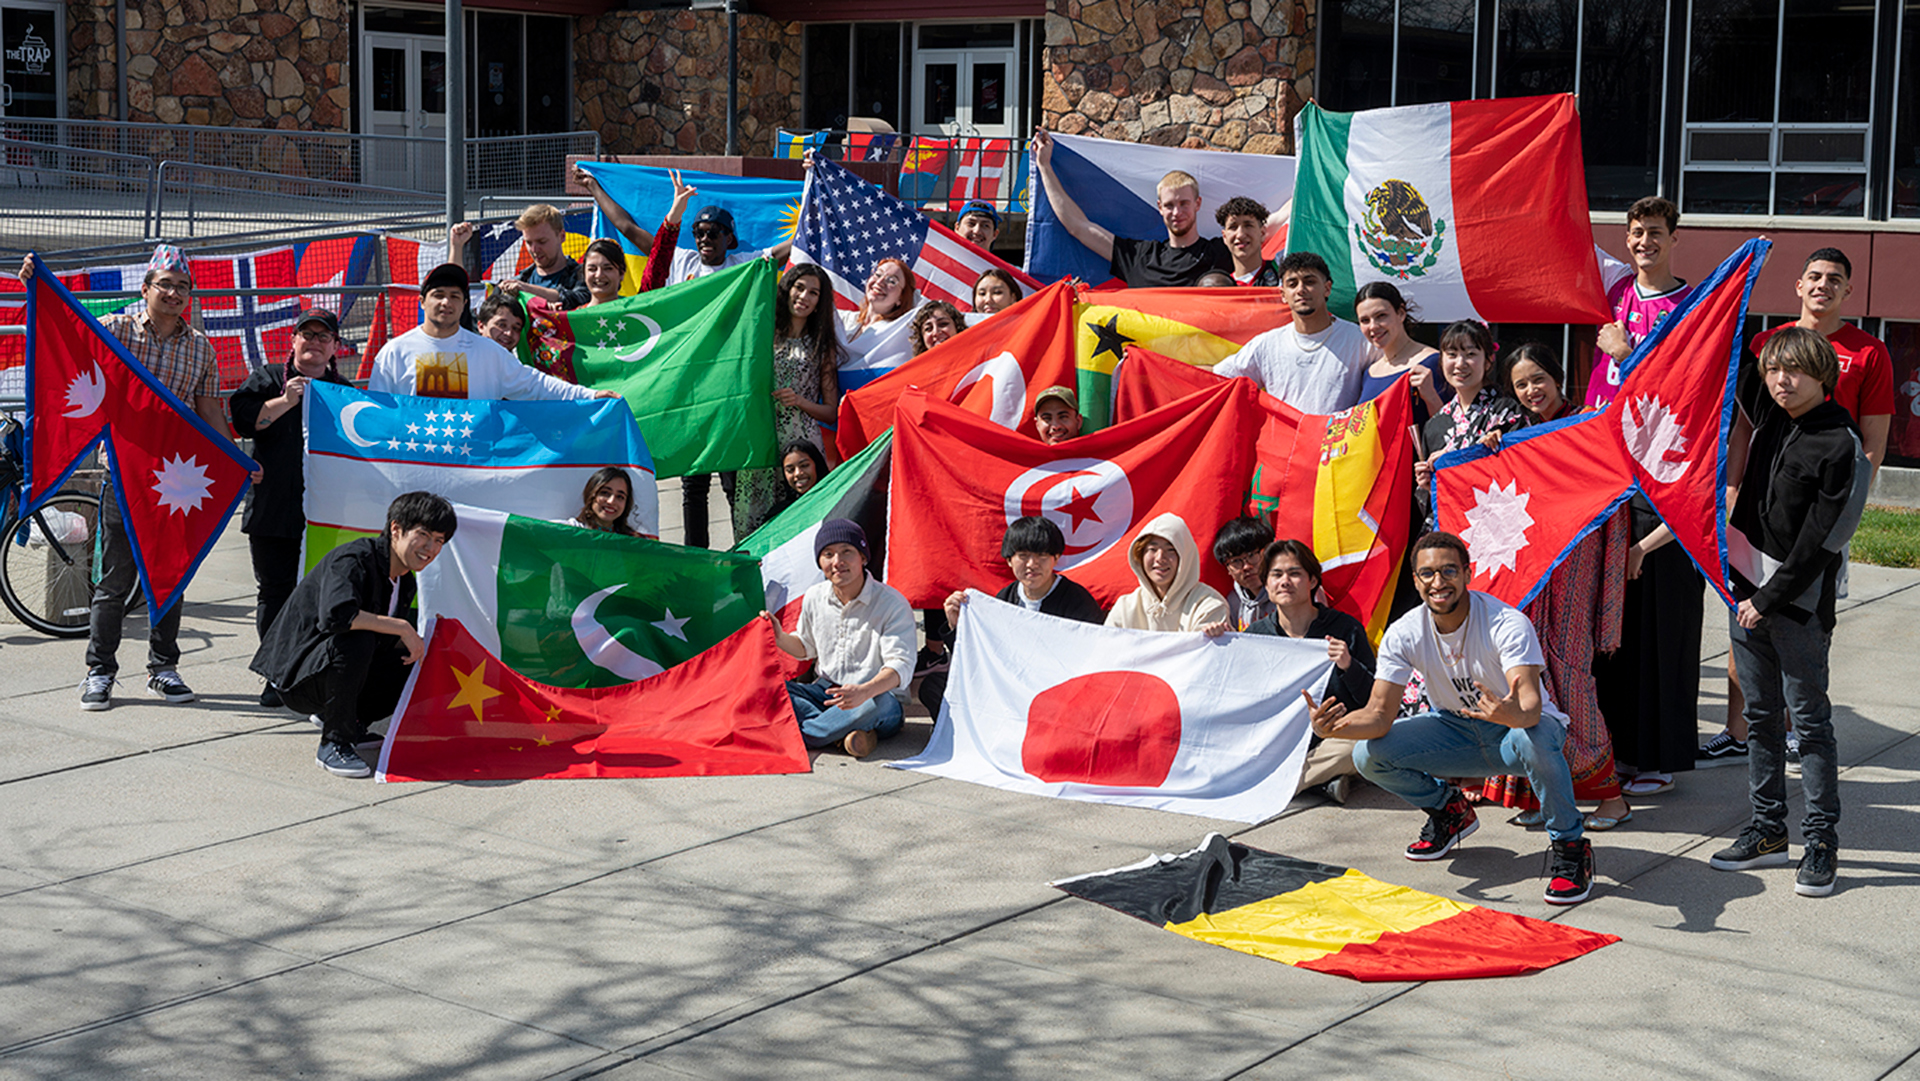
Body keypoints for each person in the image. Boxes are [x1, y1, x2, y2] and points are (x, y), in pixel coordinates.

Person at [18, 245, 255, 711]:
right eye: (164, 284)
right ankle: (99, 670)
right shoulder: (116, 330)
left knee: (172, 573)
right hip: (122, 474)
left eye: (182, 287)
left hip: (175, 481)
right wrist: (36, 285)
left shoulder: (201, 348)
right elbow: (68, 335)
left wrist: (235, 458)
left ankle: (163, 668)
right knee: (114, 579)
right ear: (146, 289)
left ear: (190, 296)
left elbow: (209, 412)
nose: (173, 293)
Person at [1308, 532, 1595, 905]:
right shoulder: (1405, 632)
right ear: (1415, 580)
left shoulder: (1506, 622)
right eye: (1427, 574)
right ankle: (1449, 810)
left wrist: (1510, 713)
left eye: (1448, 571)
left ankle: (1571, 848)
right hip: (1454, 729)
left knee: (1532, 735)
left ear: (1467, 573)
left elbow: (1531, 706)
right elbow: (1379, 716)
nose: (1438, 582)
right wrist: (1332, 728)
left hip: (1515, 735)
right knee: (1367, 754)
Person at [1702, 247, 1896, 762]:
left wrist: (1848, 507)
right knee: (1743, 615)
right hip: (1759, 510)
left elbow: (1874, 438)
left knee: (1799, 618)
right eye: (1814, 276)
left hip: (1822, 509)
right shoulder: (1770, 344)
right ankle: (1738, 729)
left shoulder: (1869, 352)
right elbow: (1744, 428)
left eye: (1835, 279)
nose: (1823, 285)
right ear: (1798, 285)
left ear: (1848, 291)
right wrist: (1733, 491)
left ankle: (1794, 726)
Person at [1711, 327, 1870, 898]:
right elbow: (1727, 352)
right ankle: (1768, 832)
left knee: (1811, 725)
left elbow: (1821, 544)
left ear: (1823, 376)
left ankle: (1821, 840)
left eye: (1796, 371)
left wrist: (1765, 601)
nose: (1782, 380)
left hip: (1795, 607)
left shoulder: (1840, 443)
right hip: (1743, 592)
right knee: (1759, 718)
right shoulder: (1773, 410)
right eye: (1775, 370)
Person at [1478, 343, 1634, 830]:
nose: (1531, 391)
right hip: (1527, 577)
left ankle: (1611, 797)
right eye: (1521, 385)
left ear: (1558, 376)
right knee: (1530, 682)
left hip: (1573, 567)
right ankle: (1542, 792)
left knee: (1572, 680)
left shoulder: (1586, 424)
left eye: (1538, 379)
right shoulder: (1514, 436)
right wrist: (1490, 454)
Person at [250, 492, 457, 779]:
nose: (430, 547)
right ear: (396, 529)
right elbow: (337, 617)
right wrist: (402, 627)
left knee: (414, 656)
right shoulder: (354, 559)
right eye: (423, 534)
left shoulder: (405, 578)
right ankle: (334, 743)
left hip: (330, 668)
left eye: (439, 540)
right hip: (297, 678)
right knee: (357, 640)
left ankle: (352, 722)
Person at [230, 308, 355, 707]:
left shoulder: (347, 393)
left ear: (335, 347)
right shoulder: (267, 379)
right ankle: (276, 674)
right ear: (293, 341)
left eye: (323, 337)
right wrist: (286, 400)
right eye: (307, 335)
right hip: (274, 510)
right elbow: (246, 423)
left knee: (325, 597)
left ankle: (314, 672)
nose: (314, 343)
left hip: (327, 514)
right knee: (274, 593)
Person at [761, 519, 916, 758]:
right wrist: (779, 635)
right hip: (824, 693)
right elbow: (805, 647)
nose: (837, 562)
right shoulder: (815, 595)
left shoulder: (892, 603)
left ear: (863, 557)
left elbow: (900, 667)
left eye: (847, 552)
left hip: (874, 696)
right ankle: (842, 734)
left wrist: (864, 691)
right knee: (766, 688)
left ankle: (803, 733)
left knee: (876, 705)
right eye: (828, 554)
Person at [921, 516, 1106, 715]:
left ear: (1056, 558)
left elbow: (1093, 660)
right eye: (1023, 556)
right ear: (1009, 560)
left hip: (1056, 689)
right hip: (1009, 685)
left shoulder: (1077, 601)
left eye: (1042, 556)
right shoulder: (1005, 598)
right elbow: (978, 656)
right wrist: (955, 625)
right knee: (934, 686)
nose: (1032, 564)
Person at [367, 263, 615, 402]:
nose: (446, 303)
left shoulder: (489, 353)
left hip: (474, 468)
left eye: (455, 296)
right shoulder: (393, 353)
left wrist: (591, 395)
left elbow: (536, 384)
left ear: (465, 305)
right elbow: (380, 415)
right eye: (438, 295)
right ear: (422, 301)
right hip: (417, 469)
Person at [1031, 129, 1233, 287]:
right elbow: (1079, 227)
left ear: (1197, 204)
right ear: (1159, 208)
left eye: (1184, 204)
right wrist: (1045, 166)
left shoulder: (1220, 252)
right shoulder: (1139, 257)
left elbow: (1261, 230)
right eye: (1169, 205)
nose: (1177, 212)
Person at [733, 265, 843, 540]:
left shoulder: (822, 344)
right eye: (799, 287)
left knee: (802, 522)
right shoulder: (762, 334)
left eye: (813, 292)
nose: (804, 296)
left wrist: (800, 401)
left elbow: (831, 413)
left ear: (820, 301)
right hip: (761, 442)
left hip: (803, 444)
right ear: (787, 289)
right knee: (755, 522)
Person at [572, 165, 794, 286]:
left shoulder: (744, 265)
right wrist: (592, 185)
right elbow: (627, 228)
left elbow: (789, 248)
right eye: (698, 233)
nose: (704, 239)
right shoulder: (679, 260)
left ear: (728, 238)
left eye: (713, 233)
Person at [1211, 252, 1376, 413]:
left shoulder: (1360, 340)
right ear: (1283, 294)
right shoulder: (1267, 344)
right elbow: (1216, 377)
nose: (1301, 290)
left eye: (1309, 282)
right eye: (1292, 284)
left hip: (1339, 439)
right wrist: (1184, 370)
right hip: (1285, 440)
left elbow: (1393, 378)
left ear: (1327, 288)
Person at [1414, 320, 1529, 530]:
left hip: (1493, 526)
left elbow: (1516, 472)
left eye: (1470, 354)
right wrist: (1426, 484)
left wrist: (1457, 460)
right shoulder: (1434, 425)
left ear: (1488, 361)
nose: (1460, 363)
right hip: (1448, 526)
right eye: (1452, 354)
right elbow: (1432, 500)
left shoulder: (1507, 412)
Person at [1587, 197, 1690, 410]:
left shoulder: (1689, 306)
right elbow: (1569, 235)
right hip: (1597, 422)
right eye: (1638, 233)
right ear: (1628, 239)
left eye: (1655, 233)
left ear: (1674, 238)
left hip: (1645, 431)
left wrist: (1623, 354)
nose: (1644, 242)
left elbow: (1679, 382)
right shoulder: (1615, 280)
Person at [1105, 513, 1229, 632]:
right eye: (1152, 549)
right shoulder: (1125, 608)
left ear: (1185, 557)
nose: (1160, 558)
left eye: (1170, 550)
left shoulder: (1209, 604)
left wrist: (1213, 633)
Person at [1356, 281, 1448, 425]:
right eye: (1365, 320)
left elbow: (1455, 428)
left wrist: (1431, 397)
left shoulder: (1433, 361)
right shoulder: (1369, 372)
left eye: (1381, 316)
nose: (1373, 326)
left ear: (1400, 313)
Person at [486, 204, 591, 310]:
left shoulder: (584, 275)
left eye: (542, 242)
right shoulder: (522, 280)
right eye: (529, 243)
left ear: (561, 236)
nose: (534, 250)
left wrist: (527, 289)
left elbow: (576, 299)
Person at [838, 257, 922, 387]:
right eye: (878, 274)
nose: (881, 281)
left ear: (901, 298)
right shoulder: (848, 320)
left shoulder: (898, 333)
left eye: (892, 281)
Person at [1211, 515, 1275, 630]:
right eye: (1236, 561)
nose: (1246, 567)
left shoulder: (1288, 593)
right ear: (1228, 570)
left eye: (1251, 555)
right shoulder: (1232, 602)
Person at [1216, 196, 1279, 286]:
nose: (1240, 235)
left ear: (1262, 233)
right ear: (1224, 237)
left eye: (1248, 226)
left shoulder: (1284, 278)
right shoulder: (1220, 288)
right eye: (1233, 227)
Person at [566, 467, 641, 535]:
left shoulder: (634, 543)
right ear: (591, 494)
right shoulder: (569, 531)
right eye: (605, 493)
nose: (611, 501)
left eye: (620, 497)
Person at [578, 239, 627, 308]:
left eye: (607, 269)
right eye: (592, 269)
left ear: (621, 273)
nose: (599, 275)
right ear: (584, 273)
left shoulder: (636, 313)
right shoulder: (572, 317)